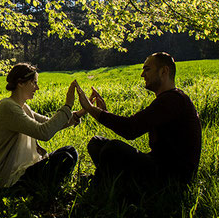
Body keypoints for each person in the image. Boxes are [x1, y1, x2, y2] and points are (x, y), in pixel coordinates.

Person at [74, 52, 202, 187]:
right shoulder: (169, 99)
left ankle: (100, 183)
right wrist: (103, 112)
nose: (142, 75)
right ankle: (109, 181)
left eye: (147, 69)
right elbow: (134, 125)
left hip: (173, 177)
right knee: (96, 143)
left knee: (113, 148)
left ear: (164, 71)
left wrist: (90, 108)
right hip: (157, 164)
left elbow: (130, 129)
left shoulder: (173, 100)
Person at [0, 63, 85, 193]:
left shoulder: (23, 107)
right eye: (34, 83)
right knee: (65, 158)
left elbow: (49, 124)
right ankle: (43, 190)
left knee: (70, 151)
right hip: (9, 177)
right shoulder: (7, 106)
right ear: (21, 83)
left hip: (27, 168)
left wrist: (81, 112)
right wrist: (68, 105)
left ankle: (45, 186)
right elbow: (44, 133)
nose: (37, 88)